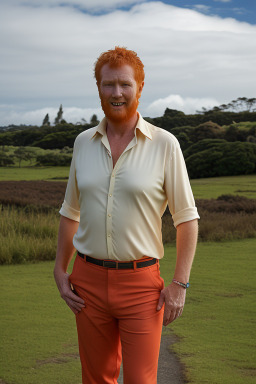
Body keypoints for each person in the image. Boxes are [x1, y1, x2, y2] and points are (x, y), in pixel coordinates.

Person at [54, 46, 199, 384]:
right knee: (95, 378)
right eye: (108, 85)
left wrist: (179, 284)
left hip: (141, 285)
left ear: (140, 87)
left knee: (140, 379)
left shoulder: (165, 144)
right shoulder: (82, 143)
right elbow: (69, 212)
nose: (116, 93)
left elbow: (187, 219)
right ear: (99, 89)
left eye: (124, 84)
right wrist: (60, 270)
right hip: (87, 282)